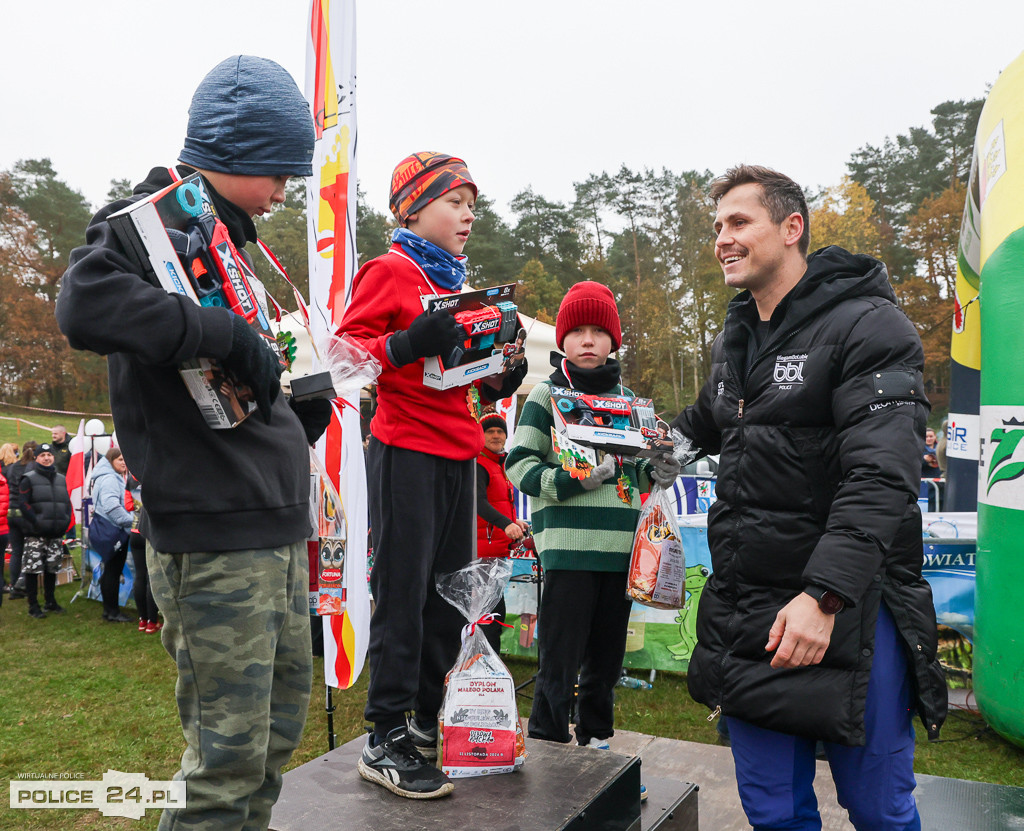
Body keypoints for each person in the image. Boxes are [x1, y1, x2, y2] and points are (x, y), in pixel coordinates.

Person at [56, 55, 331, 830]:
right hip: (213, 541)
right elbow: (83, 301)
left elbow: (247, 374)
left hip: (274, 527)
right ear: (237, 148)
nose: (286, 190)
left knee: (272, 747)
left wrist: (295, 406)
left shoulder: (238, 243)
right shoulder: (151, 224)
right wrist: (223, 333)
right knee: (222, 768)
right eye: (279, 169)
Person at [669, 165, 946, 830]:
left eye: (739, 223)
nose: (722, 240)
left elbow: (882, 477)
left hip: (849, 608)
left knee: (878, 808)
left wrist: (823, 596)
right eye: (717, 228)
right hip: (750, 612)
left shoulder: (869, 326)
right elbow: (700, 423)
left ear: (792, 228)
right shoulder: (735, 336)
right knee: (772, 809)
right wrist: (622, 463)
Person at [338, 151, 527, 800]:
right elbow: (341, 360)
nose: (469, 214)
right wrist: (403, 344)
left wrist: (503, 369)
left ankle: (423, 720)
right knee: (405, 597)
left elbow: (465, 377)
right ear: (412, 208)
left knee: (450, 597)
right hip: (405, 451)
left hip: (461, 455)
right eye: (455, 201)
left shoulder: (458, 283)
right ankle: (382, 737)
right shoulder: (389, 270)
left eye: (473, 204)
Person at [505, 281, 679, 773]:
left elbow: (640, 470)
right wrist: (575, 480)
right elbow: (517, 465)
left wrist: (658, 470)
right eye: (577, 330)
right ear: (562, 339)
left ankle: (598, 744)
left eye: (597, 331)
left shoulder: (631, 402)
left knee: (605, 662)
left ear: (613, 341)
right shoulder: (545, 394)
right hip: (567, 548)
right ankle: (547, 746)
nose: (587, 340)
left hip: (621, 550)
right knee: (558, 663)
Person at [475, 409, 530, 654]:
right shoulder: (478, 464)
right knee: (489, 614)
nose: (496, 436)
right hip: (481, 552)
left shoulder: (499, 465)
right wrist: (505, 524)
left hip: (495, 551)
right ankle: (486, 665)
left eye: (500, 431)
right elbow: (477, 502)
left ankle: (488, 663)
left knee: (493, 611)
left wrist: (514, 521)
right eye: (491, 431)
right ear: (481, 435)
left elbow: (495, 503)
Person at [17, 443, 72, 619]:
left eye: (49, 454)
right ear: (36, 458)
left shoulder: (62, 479)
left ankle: (50, 601)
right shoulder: (28, 478)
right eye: (43, 455)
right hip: (35, 534)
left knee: (52, 569)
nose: (47, 458)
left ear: (53, 457)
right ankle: (33, 605)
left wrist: (65, 520)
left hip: (55, 533)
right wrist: (37, 521)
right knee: (33, 570)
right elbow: (23, 504)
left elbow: (66, 503)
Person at [88, 447, 135, 623]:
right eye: (119, 459)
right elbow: (111, 506)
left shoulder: (106, 476)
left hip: (111, 530)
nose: (124, 462)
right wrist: (131, 521)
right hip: (114, 531)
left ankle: (109, 610)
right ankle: (113, 611)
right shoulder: (110, 479)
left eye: (125, 459)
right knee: (113, 572)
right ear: (110, 461)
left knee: (111, 571)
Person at [4, 441, 38, 599]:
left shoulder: (12, 467)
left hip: (11, 513)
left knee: (17, 551)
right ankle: (24, 583)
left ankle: (13, 587)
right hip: (26, 513)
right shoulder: (34, 469)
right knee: (31, 550)